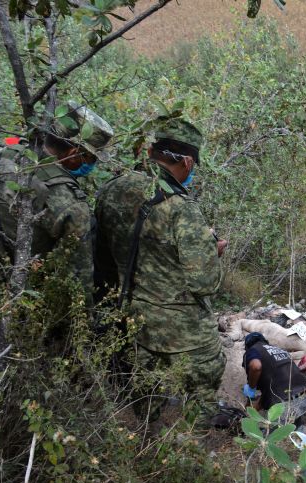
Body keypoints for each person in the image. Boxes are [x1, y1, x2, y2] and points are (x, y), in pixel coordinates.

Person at [94, 116, 227, 421]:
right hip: (181, 328)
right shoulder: (180, 207)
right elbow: (204, 282)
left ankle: (145, 439)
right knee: (202, 387)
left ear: (152, 152)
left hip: (129, 315)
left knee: (145, 388)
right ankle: (195, 445)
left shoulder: (113, 187)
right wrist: (211, 251)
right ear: (189, 162)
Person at [0, 101, 112, 300]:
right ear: (74, 153)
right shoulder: (69, 203)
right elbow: (78, 283)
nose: (93, 165)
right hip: (16, 307)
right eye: (93, 158)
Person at [241, 332, 306, 426]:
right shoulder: (280, 350)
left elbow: (255, 367)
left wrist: (251, 388)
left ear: (247, 346)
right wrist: (258, 406)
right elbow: (276, 384)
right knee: (294, 428)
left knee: (269, 435)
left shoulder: (253, 350)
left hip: (284, 404)